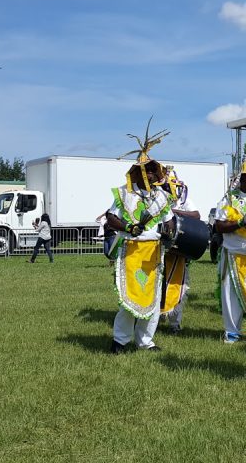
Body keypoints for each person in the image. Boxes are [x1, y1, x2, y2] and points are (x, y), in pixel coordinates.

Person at [105, 125, 176, 354]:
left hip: (154, 252)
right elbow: (110, 218)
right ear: (137, 173)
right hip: (130, 251)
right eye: (147, 170)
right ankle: (120, 341)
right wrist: (128, 226)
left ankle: (146, 341)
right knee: (129, 298)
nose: (152, 175)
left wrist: (169, 232)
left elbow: (170, 220)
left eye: (154, 171)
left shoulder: (162, 197)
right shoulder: (124, 194)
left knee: (153, 298)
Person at [213, 162, 246, 343]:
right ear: (241, 177)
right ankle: (232, 331)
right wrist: (239, 223)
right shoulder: (230, 199)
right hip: (233, 254)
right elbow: (219, 226)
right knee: (231, 294)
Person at [157, 169, 199, 334]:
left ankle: (174, 324)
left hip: (177, 252)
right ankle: (150, 320)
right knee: (155, 286)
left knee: (177, 285)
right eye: (168, 186)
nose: (171, 189)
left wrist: (173, 212)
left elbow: (196, 214)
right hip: (157, 251)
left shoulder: (183, 199)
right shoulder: (156, 198)